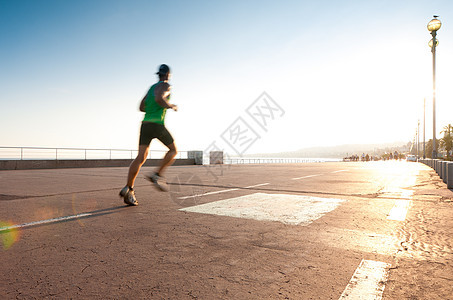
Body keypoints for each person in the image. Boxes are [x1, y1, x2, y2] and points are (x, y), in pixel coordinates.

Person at [119, 64, 178, 206]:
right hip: (157, 124)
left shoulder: (151, 87)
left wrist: (152, 107)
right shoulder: (166, 86)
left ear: (158, 74)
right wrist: (171, 106)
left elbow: (141, 107)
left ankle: (129, 188)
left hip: (145, 124)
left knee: (141, 157)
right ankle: (157, 175)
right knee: (173, 151)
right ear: (168, 75)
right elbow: (159, 98)